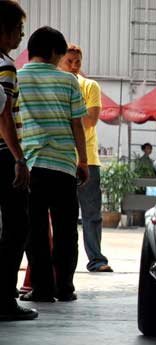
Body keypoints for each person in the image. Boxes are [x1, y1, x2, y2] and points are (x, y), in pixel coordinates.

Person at [18, 26, 89, 303]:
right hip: (63, 166)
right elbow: (77, 124)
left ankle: (43, 289)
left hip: (30, 165)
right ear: (52, 53)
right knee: (66, 231)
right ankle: (65, 287)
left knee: (34, 231)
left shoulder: (16, 77)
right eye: (60, 56)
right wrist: (83, 161)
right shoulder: (69, 81)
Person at [59, 44, 113, 273]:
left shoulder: (90, 85)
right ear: (60, 61)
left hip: (88, 158)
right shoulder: (57, 85)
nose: (74, 66)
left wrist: (66, 118)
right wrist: (76, 117)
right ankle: (60, 262)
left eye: (78, 62)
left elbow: (91, 121)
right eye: (69, 61)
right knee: (62, 216)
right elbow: (85, 118)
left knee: (91, 214)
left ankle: (96, 260)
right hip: (61, 159)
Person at [0, 0, 37, 321]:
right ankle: (4, 300)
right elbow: (4, 118)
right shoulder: (5, 66)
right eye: (18, 30)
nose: (20, 36)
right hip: (3, 156)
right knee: (16, 227)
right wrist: (19, 160)